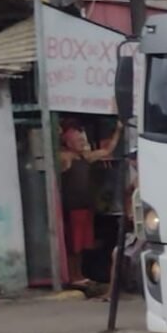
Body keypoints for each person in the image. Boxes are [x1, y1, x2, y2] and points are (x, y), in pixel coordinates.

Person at [57, 118, 117, 288]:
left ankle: (80, 275)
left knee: (83, 245)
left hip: (86, 207)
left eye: (83, 139)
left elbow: (107, 150)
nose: (83, 142)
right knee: (74, 246)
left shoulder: (85, 157)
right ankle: (73, 275)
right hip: (73, 208)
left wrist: (118, 131)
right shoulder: (65, 157)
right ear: (68, 142)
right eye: (78, 140)